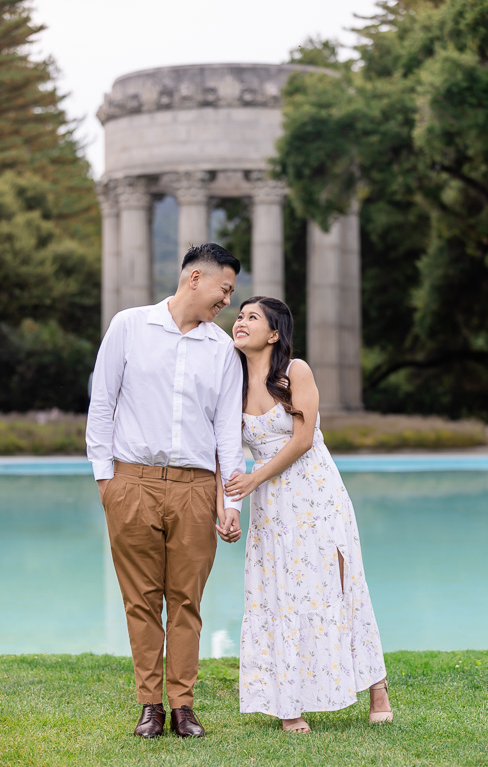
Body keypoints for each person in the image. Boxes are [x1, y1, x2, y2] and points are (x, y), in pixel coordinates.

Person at [86, 243, 245, 739]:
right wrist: (106, 479)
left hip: (196, 489)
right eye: (225, 289)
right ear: (195, 278)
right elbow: (101, 405)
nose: (227, 301)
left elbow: (226, 433)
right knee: (140, 600)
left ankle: (183, 706)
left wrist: (230, 500)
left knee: (186, 601)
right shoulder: (128, 326)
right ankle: (149, 704)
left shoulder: (222, 349)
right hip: (131, 483)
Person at [225, 296, 392, 734]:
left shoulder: (295, 370)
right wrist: (230, 503)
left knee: (339, 583)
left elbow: (301, 441)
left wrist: (253, 478)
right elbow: (222, 448)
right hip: (271, 506)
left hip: (316, 492)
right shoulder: (232, 381)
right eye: (239, 315)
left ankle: (377, 685)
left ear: (274, 332)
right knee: (278, 593)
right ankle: (288, 702)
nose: (240, 322)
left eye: (251, 317)